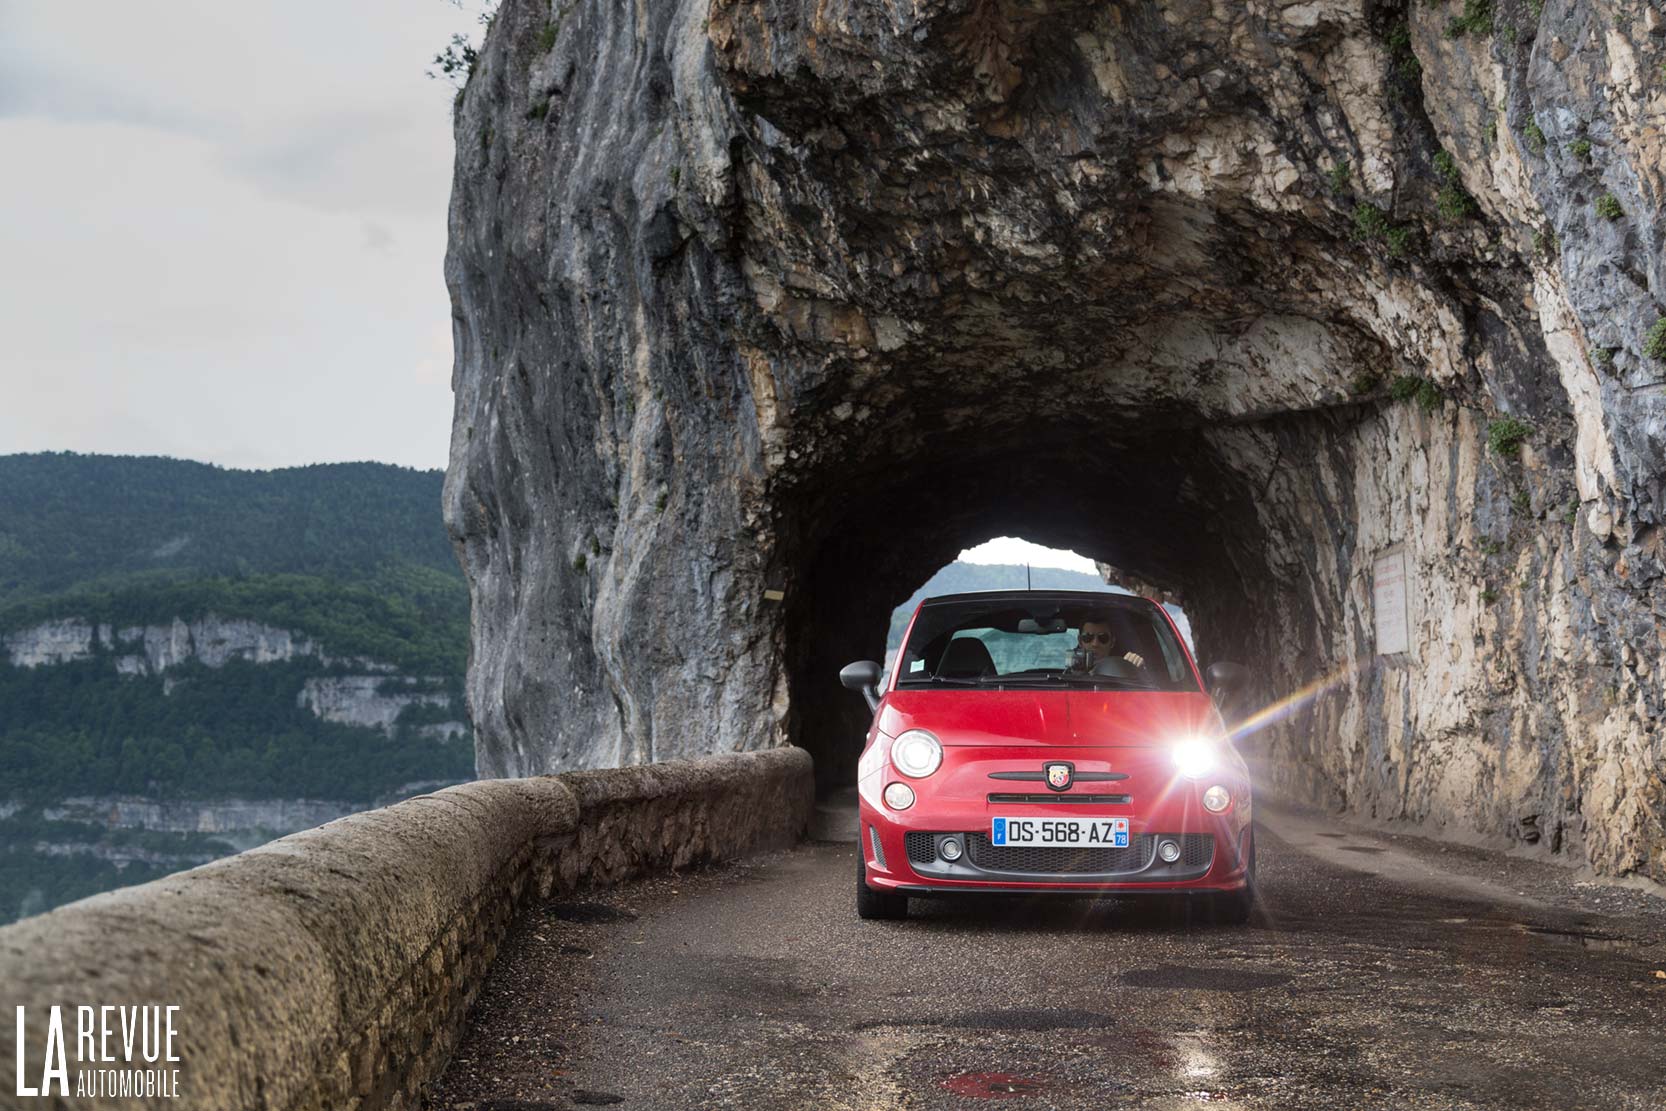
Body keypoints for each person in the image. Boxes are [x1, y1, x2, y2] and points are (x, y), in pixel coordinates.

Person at [1076, 615, 1145, 671]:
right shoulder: (1068, 677)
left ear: (1112, 642)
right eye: (1088, 637)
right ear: (1080, 641)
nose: (1095, 644)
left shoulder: (1125, 670)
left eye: (1103, 638)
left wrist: (1136, 670)